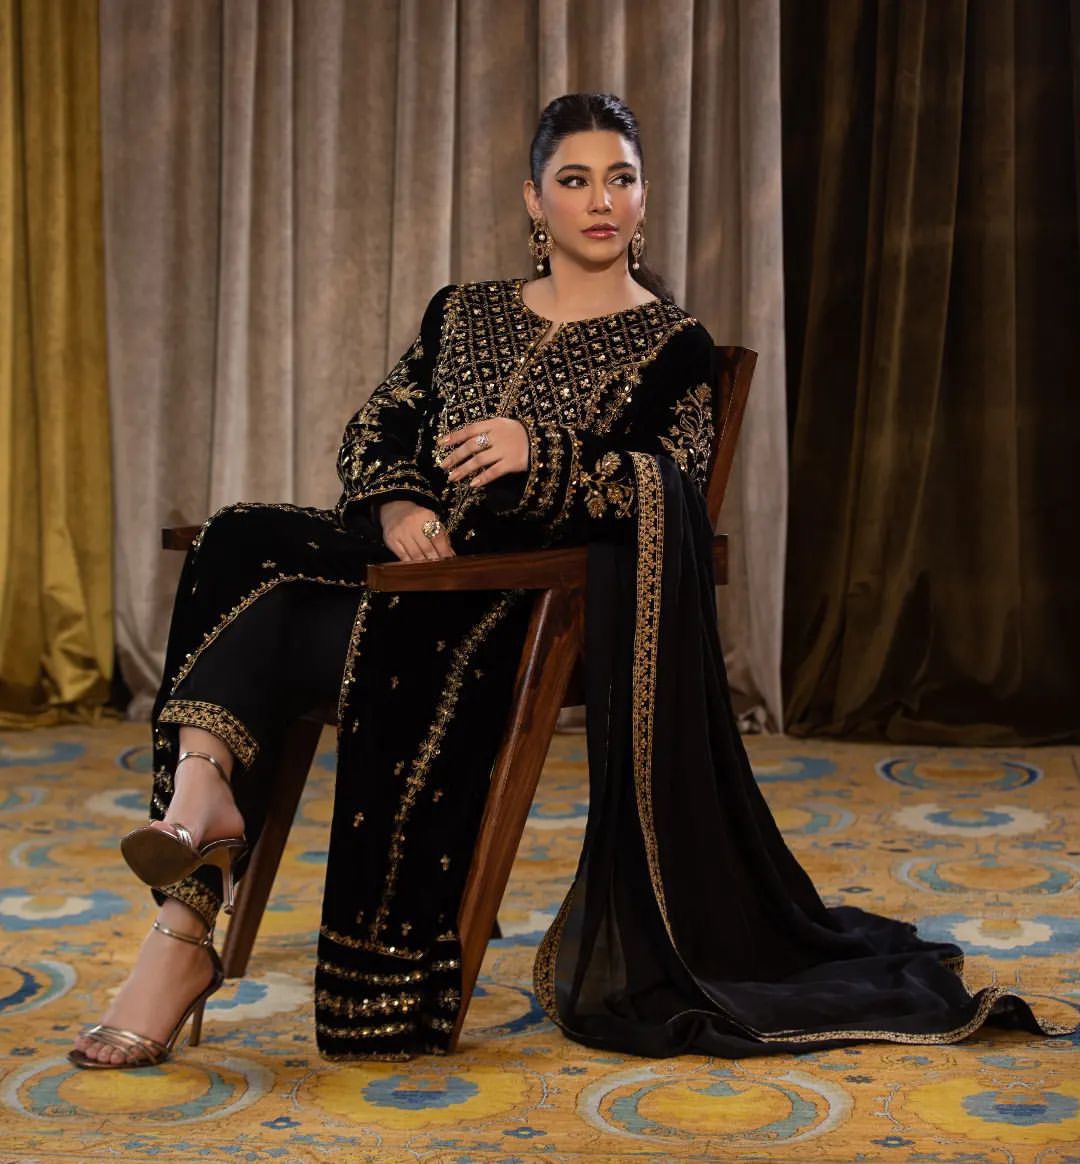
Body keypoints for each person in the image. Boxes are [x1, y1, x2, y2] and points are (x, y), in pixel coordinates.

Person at [70, 93, 1074, 1069]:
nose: (601, 200)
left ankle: (181, 920)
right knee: (237, 537)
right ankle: (197, 823)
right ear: (533, 198)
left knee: (295, 616)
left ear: (644, 196)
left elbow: (672, 490)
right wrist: (399, 505)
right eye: (576, 179)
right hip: (404, 570)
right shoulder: (462, 312)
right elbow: (379, 427)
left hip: (512, 612)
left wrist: (537, 452)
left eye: (621, 179)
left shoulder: (672, 347)